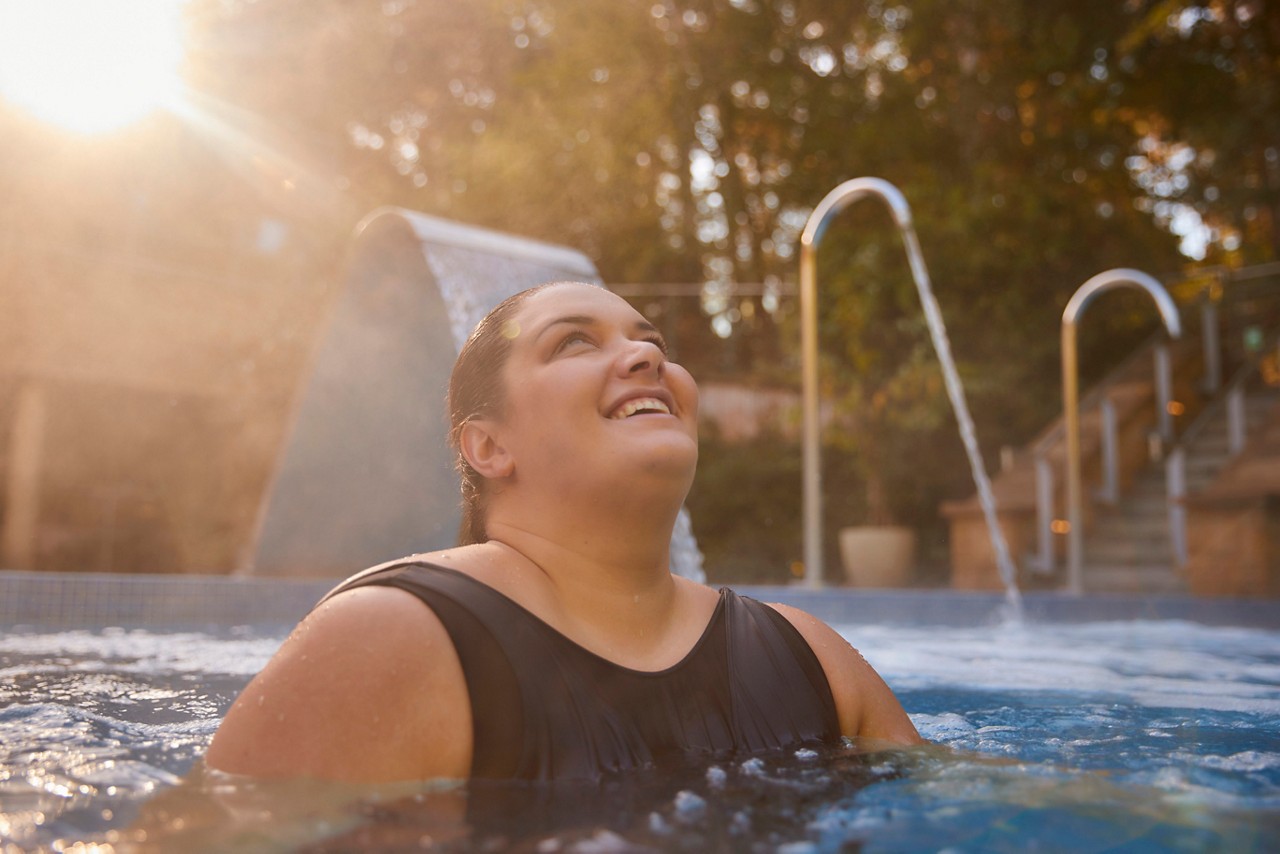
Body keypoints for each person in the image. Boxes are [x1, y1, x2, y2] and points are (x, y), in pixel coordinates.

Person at [205, 281, 921, 783]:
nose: (649, 360)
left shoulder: (810, 659)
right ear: (487, 447)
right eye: (575, 343)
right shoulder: (392, 638)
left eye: (653, 342)